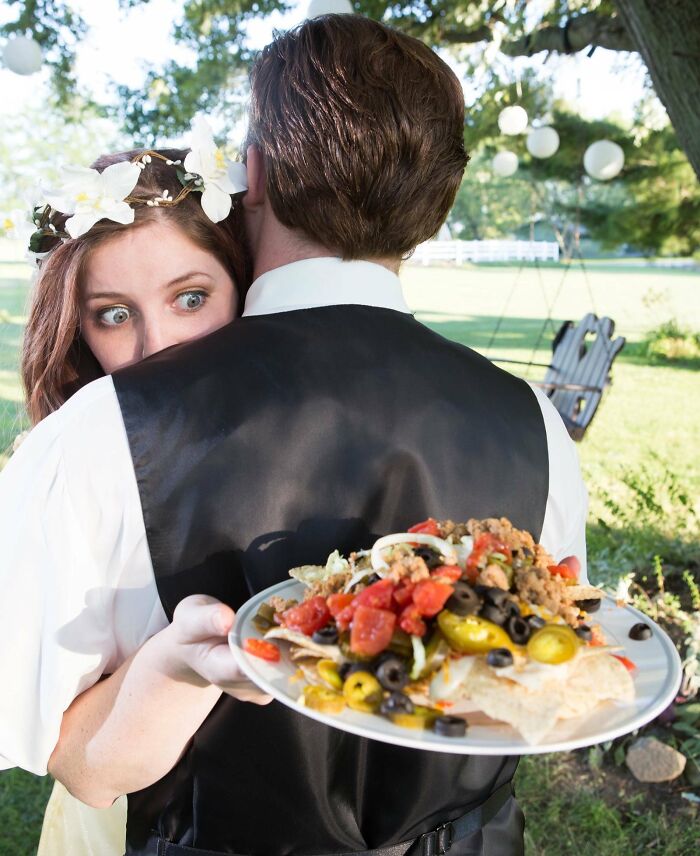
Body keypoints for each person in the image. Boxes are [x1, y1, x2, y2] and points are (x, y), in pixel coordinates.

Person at [0, 14, 588, 856]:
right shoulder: (533, 423)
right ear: (438, 205)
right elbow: (534, 691)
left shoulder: (104, 428)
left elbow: (79, 766)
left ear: (257, 174)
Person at [15, 142, 248, 856]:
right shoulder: (73, 465)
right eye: (114, 315)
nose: (160, 344)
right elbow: (78, 762)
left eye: (191, 298)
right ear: (79, 331)